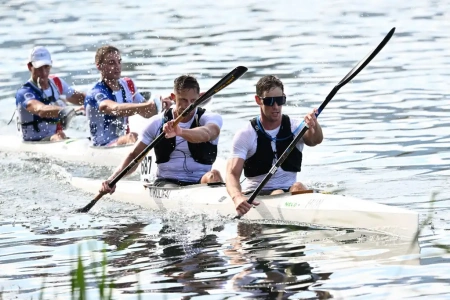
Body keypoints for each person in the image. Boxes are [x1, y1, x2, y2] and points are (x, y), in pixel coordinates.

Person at [99, 74, 223, 194]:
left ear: (199, 98)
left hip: (200, 181)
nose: (188, 106)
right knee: (172, 186)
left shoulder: (209, 118)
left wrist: (180, 132)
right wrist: (112, 179)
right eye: (183, 100)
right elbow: (134, 156)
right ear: (173, 97)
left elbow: (208, 133)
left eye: (193, 101)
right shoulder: (157, 122)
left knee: (214, 175)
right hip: (168, 182)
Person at [226, 75, 323, 216]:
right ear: (258, 100)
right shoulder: (246, 134)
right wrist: (237, 197)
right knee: (279, 192)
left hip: (290, 190)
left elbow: (315, 140)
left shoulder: (295, 127)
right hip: (257, 195)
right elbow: (232, 174)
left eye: (279, 100)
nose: (276, 106)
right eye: (270, 101)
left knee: (298, 186)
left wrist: (314, 125)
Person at [84, 45, 172, 147]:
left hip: (122, 141)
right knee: (132, 137)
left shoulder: (128, 84)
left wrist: (161, 106)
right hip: (102, 146)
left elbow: (147, 113)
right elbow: (115, 109)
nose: (117, 66)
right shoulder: (96, 92)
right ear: (99, 66)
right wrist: (148, 105)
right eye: (111, 63)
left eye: (119, 61)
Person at [15, 46, 86, 142]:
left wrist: (97, 102)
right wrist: (66, 110)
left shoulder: (56, 82)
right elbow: (41, 110)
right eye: (39, 68)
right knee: (57, 137)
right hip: (33, 141)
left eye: (46, 67)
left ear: (51, 64)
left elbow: (78, 97)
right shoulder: (24, 92)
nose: (44, 73)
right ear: (29, 67)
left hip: (55, 137)